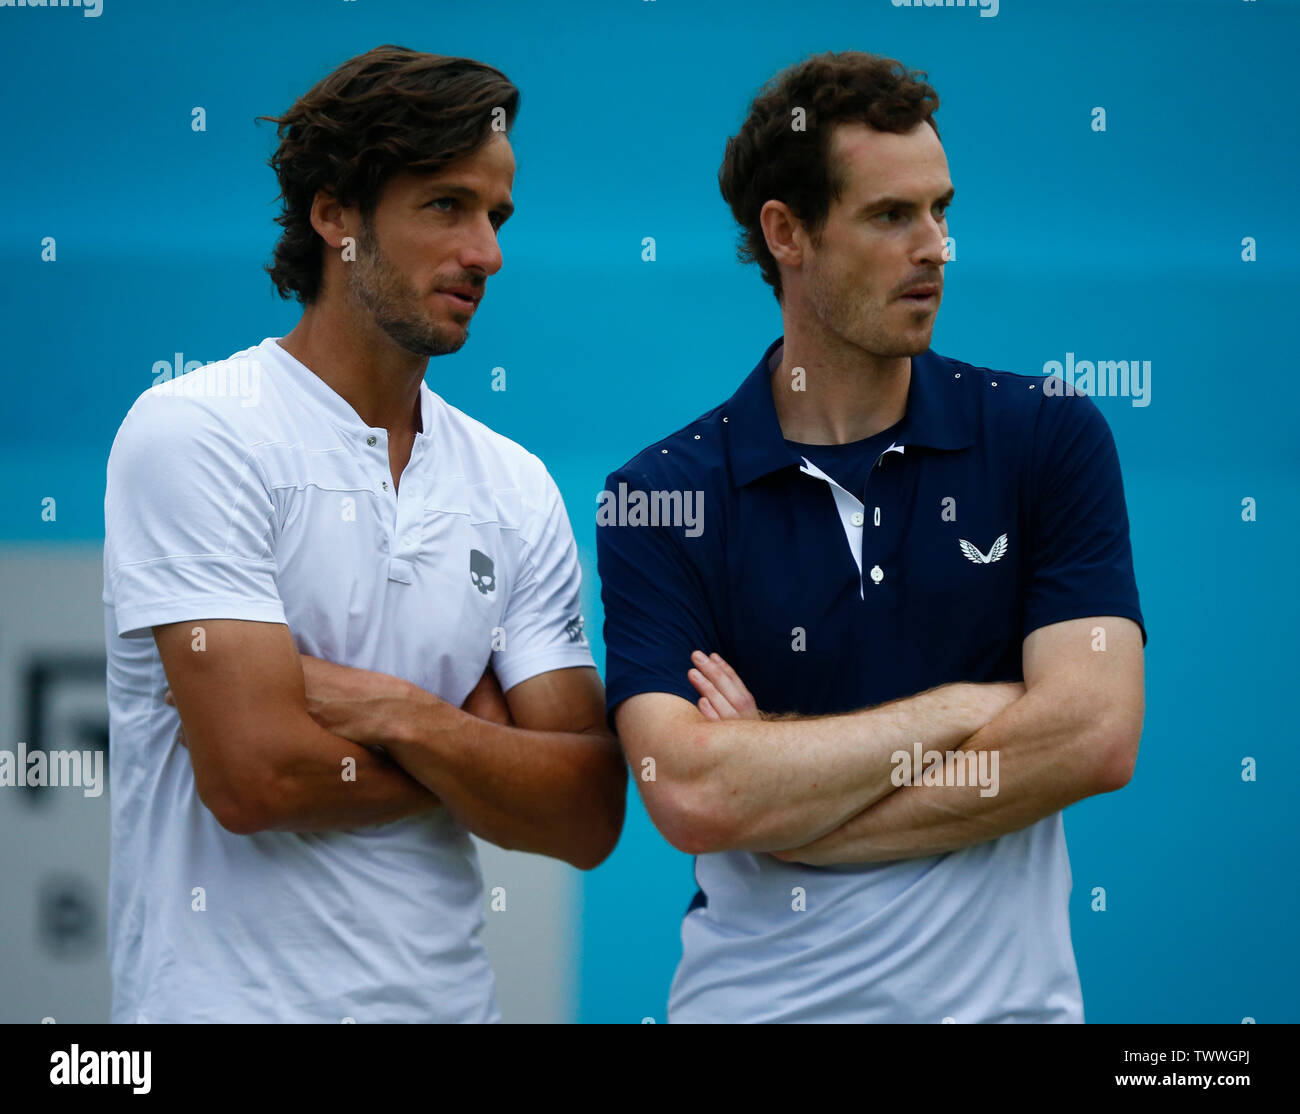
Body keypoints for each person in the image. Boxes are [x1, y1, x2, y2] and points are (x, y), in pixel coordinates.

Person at [596, 50, 1146, 1023]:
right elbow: (688, 789)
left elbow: (1094, 735)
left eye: (940, 210)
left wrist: (789, 787)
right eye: (892, 216)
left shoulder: (1046, 434)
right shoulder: (660, 492)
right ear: (786, 233)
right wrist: (970, 706)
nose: (935, 247)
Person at [102, 45, 624, 1023]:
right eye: (445, 205)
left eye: (495, 216)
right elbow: (256, 775)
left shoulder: (513, 485)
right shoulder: (195, 430)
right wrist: (480, 750)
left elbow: (586, 811)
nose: (486, 252)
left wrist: (397, 714)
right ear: (334, 214)